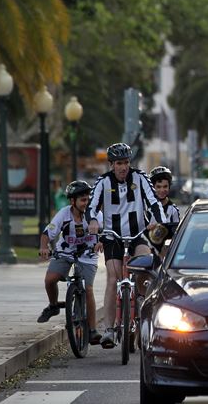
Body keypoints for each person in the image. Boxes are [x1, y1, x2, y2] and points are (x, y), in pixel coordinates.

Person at [85, 143, 166, 348]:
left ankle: (144, 316)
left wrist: (157, 221)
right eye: (119, 163)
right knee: (113, 280)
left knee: (145, 272)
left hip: (137, 234)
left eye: (127, 163)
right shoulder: (103, 182)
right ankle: (110, 331)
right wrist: (93, 222)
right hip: (113, 237)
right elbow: (91, 207)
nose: (124, 167)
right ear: (111, 164)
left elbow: (154, 203)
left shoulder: (140, 178)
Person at [37, 181, 104, 345]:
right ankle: (53, 305)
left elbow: (106, 231)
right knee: (50, 279)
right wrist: (44, 247)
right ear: (72, 201)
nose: (86, 203)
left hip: (88, 255)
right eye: (82, 200)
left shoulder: (95, 215)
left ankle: (93, 330)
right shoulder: (64, 214)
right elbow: (47, 233)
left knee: (88, 289)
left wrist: (101, 241)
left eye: (88, 199)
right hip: (65, 252)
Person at [148, 166, 180, 255]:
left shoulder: (173, 210)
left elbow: (176, 234)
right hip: (146, 250)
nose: (162, 190)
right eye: (158, 187)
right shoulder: (145, 208)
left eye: (165, 186)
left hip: (165, 253)